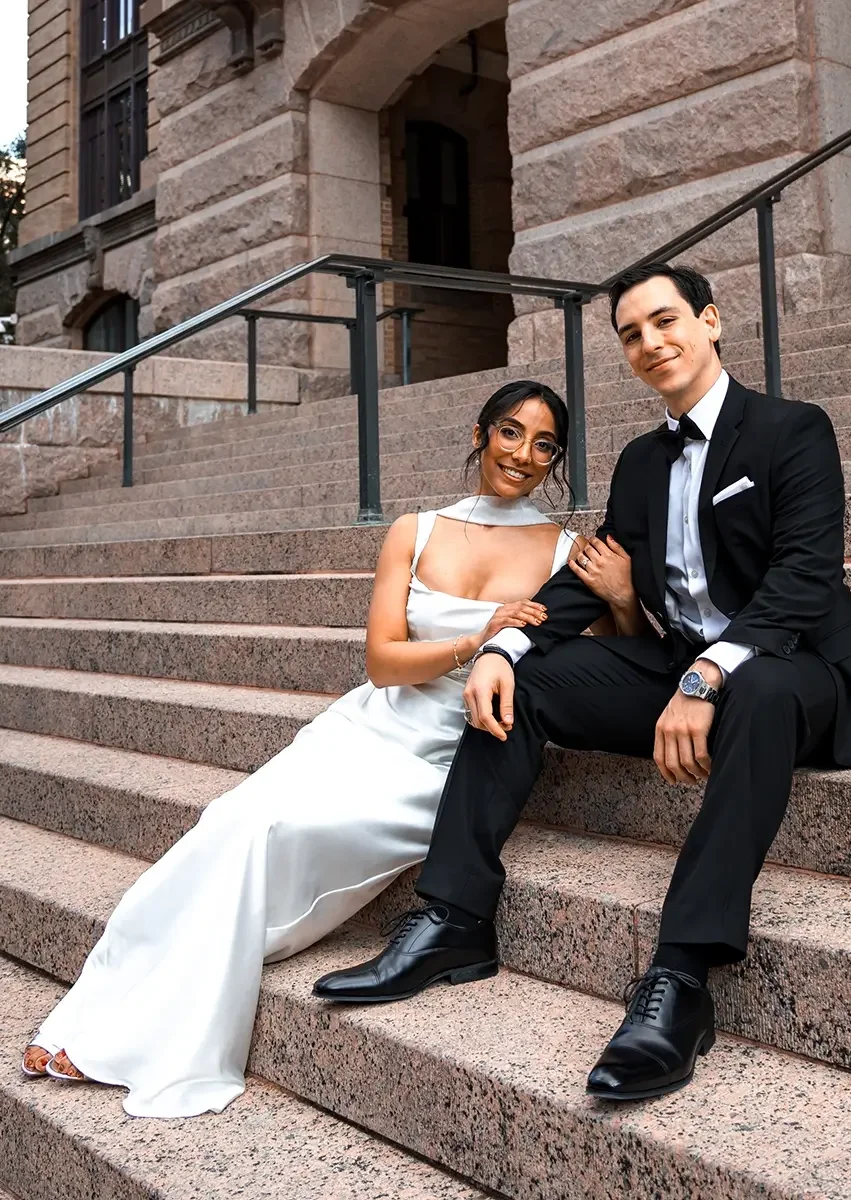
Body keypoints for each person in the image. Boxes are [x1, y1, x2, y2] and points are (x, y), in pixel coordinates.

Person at [312, 264, 851, 1102]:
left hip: (804, 674)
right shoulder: (641, 461)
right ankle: (453, 918)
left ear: (710, 322)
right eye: (631, 334)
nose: (650, 343)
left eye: (665, 321)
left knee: (761, 691)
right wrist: (502, 648)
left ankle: (681, 979)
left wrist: (707, 675)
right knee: (531, 676)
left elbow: (804, 580)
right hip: (686, 671)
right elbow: (581, 580)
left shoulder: (792, 430)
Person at [20, 380, 642, 1119]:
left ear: (556, 460)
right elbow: (382, 662)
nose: (523, 454)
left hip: (454, 757)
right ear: (480, 434)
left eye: (544, 445)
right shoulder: (414, 529)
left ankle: (145, 1032)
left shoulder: (567, 553)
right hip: (369, 727)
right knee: (230, 819)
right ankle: (104, 1012)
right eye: (511, 432)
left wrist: (624, 599)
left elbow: (612, 667)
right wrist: (477, 641)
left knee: (275, 831)